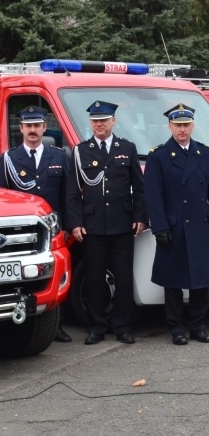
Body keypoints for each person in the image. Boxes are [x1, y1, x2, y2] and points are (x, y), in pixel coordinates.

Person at [65, 101, 146, 345]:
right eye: (95, 121)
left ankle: (122, 326)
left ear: (113, 121)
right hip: (93, 226)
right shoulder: (80, 151)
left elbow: (139, 188)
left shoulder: (127, 148)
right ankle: (96, 327)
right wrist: (75, 223)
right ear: (91, 123)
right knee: (94, 277)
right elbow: (72, 192)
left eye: (103, 120)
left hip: (122, 223)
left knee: (123, 277)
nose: (99, 124)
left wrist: (140, 217)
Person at [144, 104, 209, 345]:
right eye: (177, 125)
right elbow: (154, 196)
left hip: (200, 224)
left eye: (186, 125)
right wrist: (160, 227)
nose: (182, 129)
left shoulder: (205, 154)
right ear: (169, 126)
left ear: (193, 126)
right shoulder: (158, 156)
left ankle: (198, 326)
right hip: (174, 226)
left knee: (201, 280)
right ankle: (176, 328)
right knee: (173, 282)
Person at [1, 105, 71, 342]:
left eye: (37, 126)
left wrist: (67, 226)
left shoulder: (59, 156)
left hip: (52, 231)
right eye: (28, 126)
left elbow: (67, 194)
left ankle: (56, 326)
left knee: (55, 276)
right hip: (21, 236)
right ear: (21, 128)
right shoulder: (9, 159)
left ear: (44, 128)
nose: (33, 130)